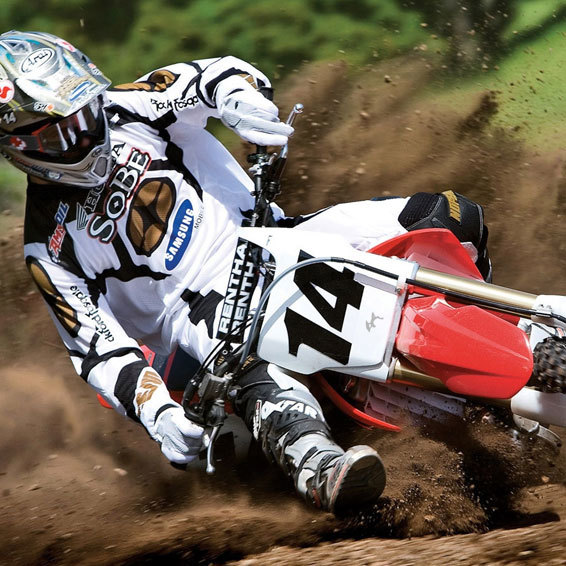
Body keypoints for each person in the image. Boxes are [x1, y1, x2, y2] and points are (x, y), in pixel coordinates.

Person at [0, 30, 490, 515]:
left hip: (272, 232)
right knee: (255, 374)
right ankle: (320, 466)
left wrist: (237, 97)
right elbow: (98, 350)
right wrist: (155, 410)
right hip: (204, 318)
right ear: (17, 145)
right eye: (58, 132)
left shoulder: (128, 106)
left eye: (84, 112)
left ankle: (496, 322)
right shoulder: (48, 250)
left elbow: (211, 75)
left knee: (448, 214)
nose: (83, 134)